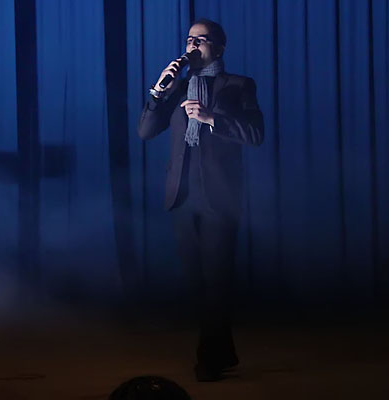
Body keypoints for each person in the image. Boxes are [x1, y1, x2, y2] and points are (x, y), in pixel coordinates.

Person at [137, 19, 264, 382]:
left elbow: (255, 134)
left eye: (201, 40)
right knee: (198, 285)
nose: (193, 46)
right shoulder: (177, 87)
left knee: (216, 281)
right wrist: (158, 92)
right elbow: (145, 131)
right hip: (182, 196)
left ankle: (208, 361)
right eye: (189, 40)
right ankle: (224, 352)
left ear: (219, 48)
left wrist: (211, 118)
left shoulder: (239, 85)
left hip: (219, 198)